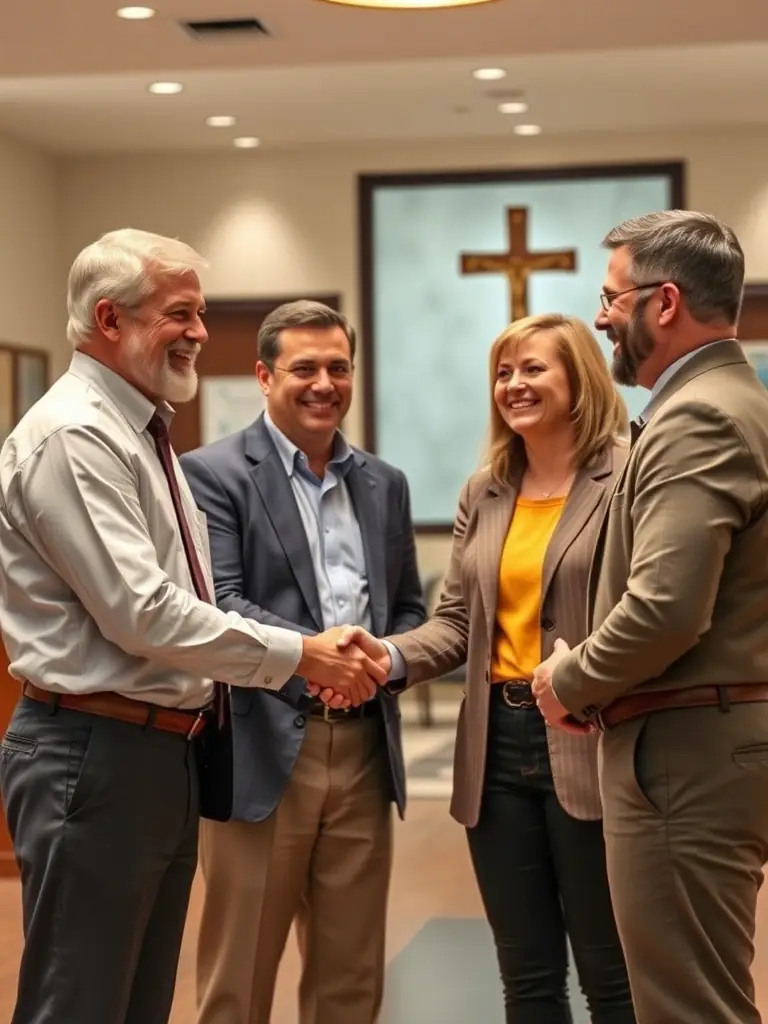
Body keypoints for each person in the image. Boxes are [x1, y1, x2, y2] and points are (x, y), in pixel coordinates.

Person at [0, 231, 384, 1024]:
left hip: (155, 749)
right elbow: (143, 611)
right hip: (92, 750)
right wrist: (300, 653)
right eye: (181, 312)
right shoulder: (78, 435)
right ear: (110, 318)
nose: (202, 331)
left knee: (137, 999)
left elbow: (184, 592)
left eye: (203, 312)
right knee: (81, 999)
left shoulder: (144, 428)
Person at [337, 313, 636, 1023]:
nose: (514, 384)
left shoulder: (627, 476)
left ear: (580, 379)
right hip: (495, 752)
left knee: (611, 976)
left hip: (593, 738)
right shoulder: (487, 489)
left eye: (533, 368)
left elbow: (647, 611)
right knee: (527, 978)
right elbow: (458, 624)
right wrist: (387, 656)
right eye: (503, 372)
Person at [532, 210, 768, 1024]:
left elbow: (666, 608)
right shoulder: (733, 399)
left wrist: (569, 679)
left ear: (663, 304)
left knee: (686, 1008)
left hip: (683, 756)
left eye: (610, 297)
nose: (601, 317)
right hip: (707, 742)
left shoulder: (697, 414)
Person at [180, 299, 425, 1024]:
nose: (325, 383)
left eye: (339, 367)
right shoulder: (211, 474)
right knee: (240, 976)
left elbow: (408, 609)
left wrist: (377, 662)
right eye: (305, 367)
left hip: (363, 750)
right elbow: (220, 603)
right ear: (264, 375)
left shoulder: (384, 482)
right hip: (260, 746)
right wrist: (318, 662)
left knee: (351, 979)